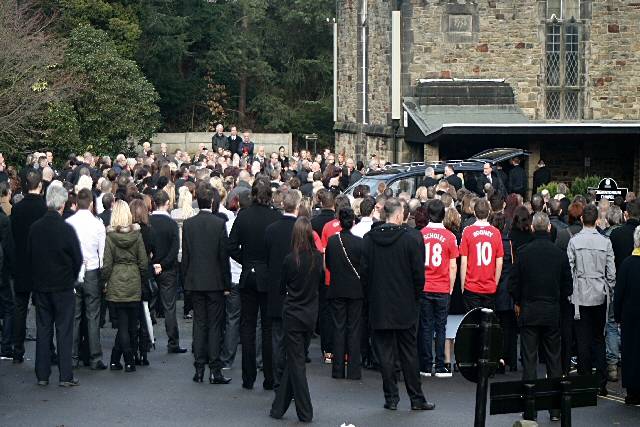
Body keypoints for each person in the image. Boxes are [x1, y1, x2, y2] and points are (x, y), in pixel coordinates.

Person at [361, 198, 435, 411]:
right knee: (408, 353)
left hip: (380, 303)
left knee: (385, 354)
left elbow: (364, 274)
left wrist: (371, 297)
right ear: (398, 215)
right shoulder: (412, 239)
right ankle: (416, 397)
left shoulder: (369, 239)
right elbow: (418, 275)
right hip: (405, 304)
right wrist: (414, 296)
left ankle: (391, 397)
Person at [509, 213, 573, 422]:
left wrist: (519, 301)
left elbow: (513, 284)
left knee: (529, 360)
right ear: (548, 229)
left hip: (529, 310)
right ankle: (555, 408)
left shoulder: (523, 253)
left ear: (532, 228)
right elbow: (568, 287)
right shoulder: (559, 254)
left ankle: (530, 408)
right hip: (551, 311)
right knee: (554, 360)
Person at [229, 177, 282, 390]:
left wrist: (246, 260)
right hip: (268, 275)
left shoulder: (243, 216)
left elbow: (231, 246)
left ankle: (248, 376)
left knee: (248, 326)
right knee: (268, 328)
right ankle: (269, 377)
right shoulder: (274, 217)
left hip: (248, 274)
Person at [28, 183, 82, 386]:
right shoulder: (66, 229)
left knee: (43, 330)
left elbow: (29, 256)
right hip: (63, 285)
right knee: (64, 330)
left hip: (41, 285)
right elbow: (77, 258)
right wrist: (71, 277)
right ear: (63, 204)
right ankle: (65, 375)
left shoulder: (35, 228)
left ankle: (42, 374)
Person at [270, 217, 323, 422]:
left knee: (296, 363)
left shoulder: (289, 260)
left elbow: (282, 287)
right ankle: (278, 408)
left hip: (292, 314)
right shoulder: (317, 258)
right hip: (310, 314)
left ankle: (305, 410)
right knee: (297, 359)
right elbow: (319, 283)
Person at [182, 184, 232, 384]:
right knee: (214, 326)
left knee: (199, 324)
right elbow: (223, 257)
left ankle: (199, 368)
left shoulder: (189, 224)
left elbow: (186, 257)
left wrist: (186, 280)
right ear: (212, 202)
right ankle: (214, 369)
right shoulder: (218, 224)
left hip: (195, 280)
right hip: (215, 281)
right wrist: (227, 283)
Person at [567, 204, 616, 396]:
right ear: (596, 220)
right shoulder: (605, 242)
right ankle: (601, 383)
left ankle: (584, 382)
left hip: (580, 295)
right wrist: (608, 289)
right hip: (600, 293)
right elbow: (611, 272)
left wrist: (571, 292)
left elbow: (569, 270)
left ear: (581, 220)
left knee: (582, 340)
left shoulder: (574, 241)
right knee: (598, 338)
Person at [102, 201, 149, 372]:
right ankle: (122, 359)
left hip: (116, 281)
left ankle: (122, 359)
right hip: (133, 280)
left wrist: (103, 282)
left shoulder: (110, 237)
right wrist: (143, 279)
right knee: (131, 324)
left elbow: (107, 264)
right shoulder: (137, 235)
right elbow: (143, 262)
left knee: (122, 324)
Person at [66, 188, 107, 370]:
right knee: (93, 315)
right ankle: (95, 356)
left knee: (74, 316)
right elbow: (103, 252)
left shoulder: (69, 222)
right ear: (91, 203)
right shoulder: (97, 224)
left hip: (74, 272)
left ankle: (72, 356)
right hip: (92, 270)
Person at [264, 190, 301, 389]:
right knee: (294, 339)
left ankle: (279, 377)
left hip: (276, 288)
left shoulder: (271, 229)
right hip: (296, 289)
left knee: (277, 335)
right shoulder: (300, 229)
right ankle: (290, 378)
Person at [11, 169, 47, 363]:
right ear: (40, 185)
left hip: (21, 263)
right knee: (43, 310)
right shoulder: (44, 208)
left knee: (20, 308)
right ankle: (46, 349)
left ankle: (18, 350)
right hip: (40, 265)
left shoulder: (17, 209)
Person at [419, 199, 458, 378]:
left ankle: (426, 365)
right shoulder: (450, 237)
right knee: (441, 327)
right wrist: (450, 286)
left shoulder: (421, 234)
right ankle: (441, 364)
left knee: (426, 326)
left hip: (425, 285)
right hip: (442, 286)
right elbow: (452, 266)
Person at [325, 208, 364, 380]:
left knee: (338, 328)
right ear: (353, 222)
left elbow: (329, 265)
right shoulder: (360, 243)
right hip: (356, 289)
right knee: (354, 329)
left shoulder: (333, 242)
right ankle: (354, 369)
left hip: (337, 288)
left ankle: (337, 369)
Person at [150, 190, 185, 353]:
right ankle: (173, 342)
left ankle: (145, 340)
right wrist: (163, 264)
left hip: (150, 268)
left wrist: (154, 263)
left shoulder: (148, 221)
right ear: (167, 203)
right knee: (169, 307)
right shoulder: (171, 224)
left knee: (146, 304)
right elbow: (174, 249)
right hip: (168, 270)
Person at [460, 198, 504, 311]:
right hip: (489, 286)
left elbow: (464, 261)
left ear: (474, 213)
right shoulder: (496, 232)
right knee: (487, 323)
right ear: (489, 212)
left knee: (472, 323)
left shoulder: (467, 231)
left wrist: (462, 284)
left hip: (471, 285)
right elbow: (499, 261)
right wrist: (496, 282)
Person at [613, 225, 640, 406]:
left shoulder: (628, 263)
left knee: (631, 352)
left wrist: (617, 316)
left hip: (631, 315)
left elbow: (619, 292)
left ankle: (632, 391)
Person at [129, 199, 155, 366]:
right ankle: (144, 351)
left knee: (133, 317)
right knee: (145, 314)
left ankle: (133, 351)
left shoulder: (129, 232)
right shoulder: (148, 231)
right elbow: (154, 251)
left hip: (131, 275)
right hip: (144, 274)